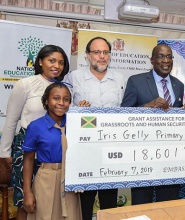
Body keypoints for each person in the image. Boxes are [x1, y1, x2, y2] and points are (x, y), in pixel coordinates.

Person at [0, 45, 70, 220]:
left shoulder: (65, 88)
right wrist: (5, 153)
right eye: (51, 60)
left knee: (46, 199)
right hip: (26, 149)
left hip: (52, 149)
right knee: (26, 199)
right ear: (40, 61)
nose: (57, 66)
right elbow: (11, 119)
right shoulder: (26, 84)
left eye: (61, 62)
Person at [121, 44, 185, 205]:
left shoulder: (179, 84)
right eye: (161, 56)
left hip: (171, 156)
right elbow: (124, 115)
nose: (166, 60)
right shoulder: (136, 81)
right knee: (142, 205)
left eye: (169, 57)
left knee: (168, 205)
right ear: (152, 60)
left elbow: (175, 118)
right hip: (143, 155)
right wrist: (148, 106)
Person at [64, 36, 125, 220]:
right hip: (84, 149)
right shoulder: (74, 77)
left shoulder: (120, 78)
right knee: (85, 200)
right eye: (97, 52)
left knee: (109, 200)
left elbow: (124, 110)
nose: (102, 56)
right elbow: (61, 106)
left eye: (105, 52)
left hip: (111, 148)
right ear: (87, 55)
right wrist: (77, 110)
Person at [22, 82, 82, 219]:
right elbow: (28, 159)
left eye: (66, 99)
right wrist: (27, 192)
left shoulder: (76, 124)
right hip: (46, 180)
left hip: (70, 182)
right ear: (47, 101)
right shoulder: (36, 126)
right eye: (56, 98)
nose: (61, 103)